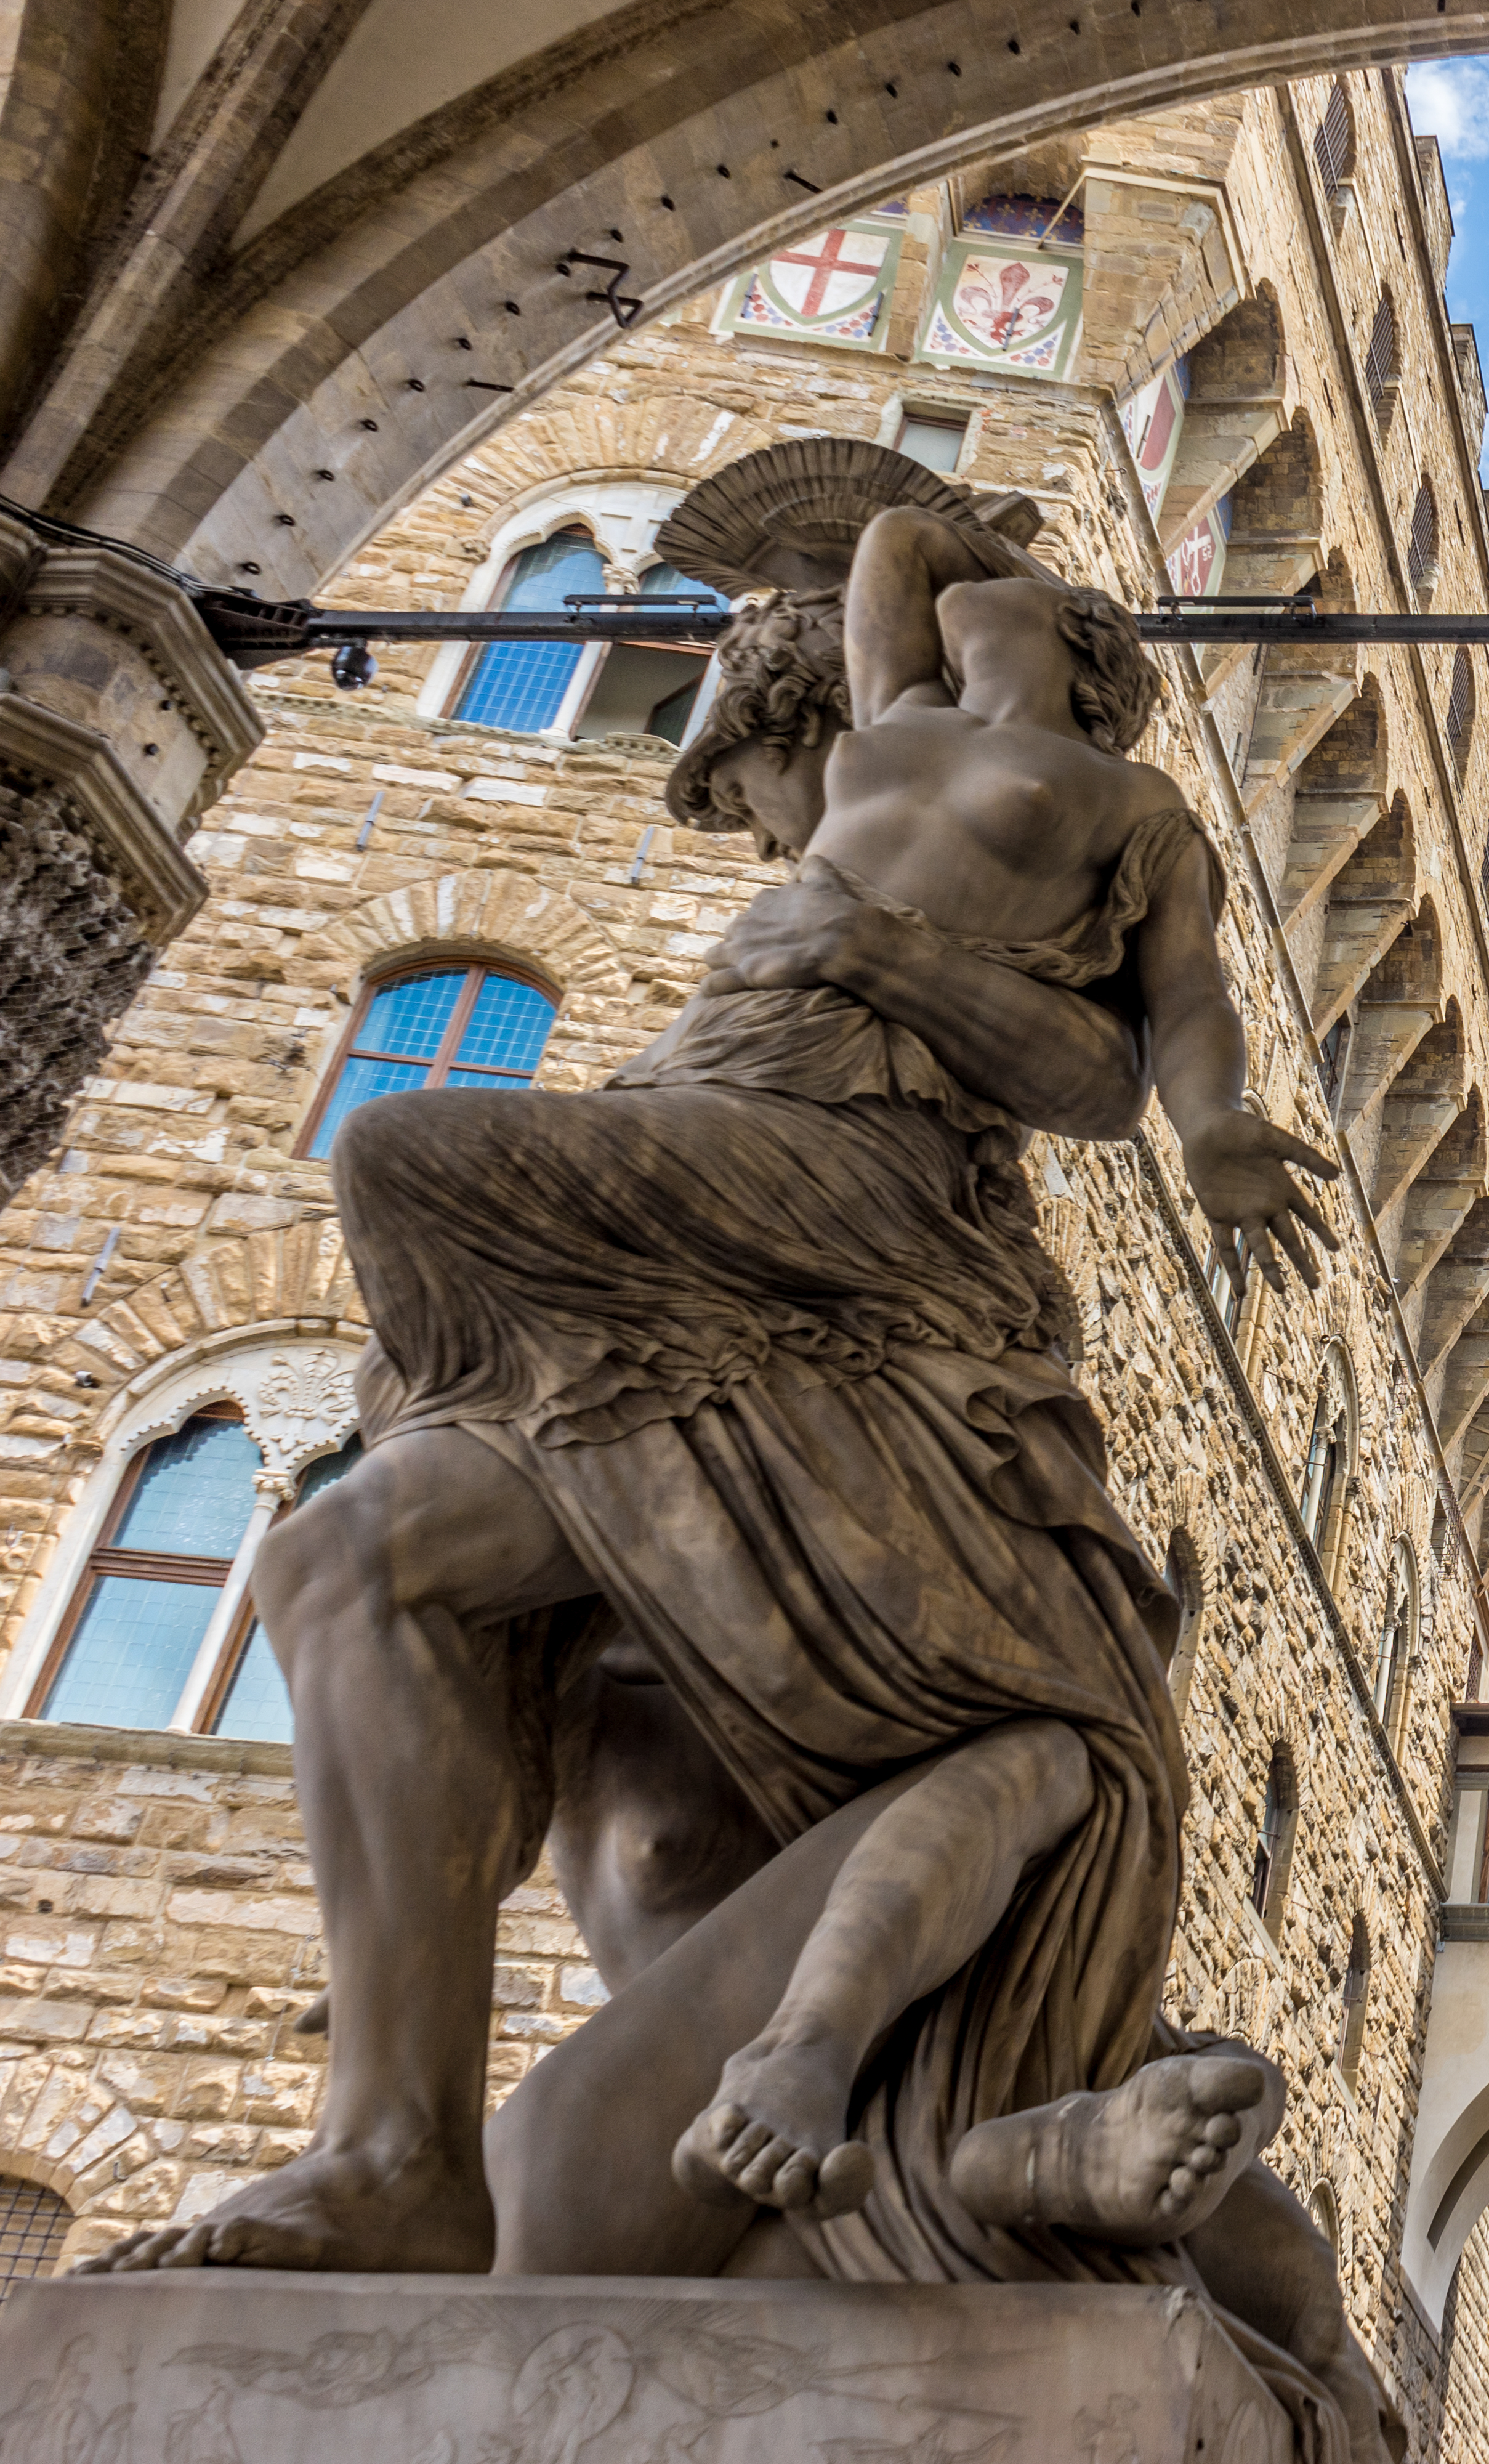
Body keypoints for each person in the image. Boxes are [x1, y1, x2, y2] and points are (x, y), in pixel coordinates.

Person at [89, 498, 1341, 2310]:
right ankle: (393, 2159)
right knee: (336, 1556)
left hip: (850, 1235)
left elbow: (1138, 1049)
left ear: (1077, 656)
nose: (758, 832)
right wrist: (950, 532)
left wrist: (1202, 1125)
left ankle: (484, 1383)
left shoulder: (1131, 823)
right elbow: (902, 547)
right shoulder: (896, 721)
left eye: (747, 791)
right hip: (686, 1178)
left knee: (407, 1147)